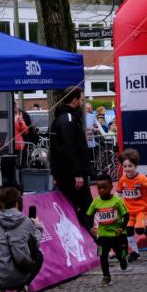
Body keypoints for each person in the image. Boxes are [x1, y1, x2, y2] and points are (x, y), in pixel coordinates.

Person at [50, 87, 93, 226]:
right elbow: (69, 148)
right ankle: (88, 238)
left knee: (81, 206)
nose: (81, 103)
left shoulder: (67, 118)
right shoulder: (67, 119)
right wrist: (77, 173)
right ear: (74, 100)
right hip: (71, 175)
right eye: (80, 100)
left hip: (68, 173)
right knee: (87, 206)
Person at [86, 173, 129, 286]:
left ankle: (123, 259)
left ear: (111, 187)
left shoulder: (117, 201)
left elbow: (126, 215)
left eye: (104, 187)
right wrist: (91, 227)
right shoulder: (96, 202)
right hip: (103, 235)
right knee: (102, 255)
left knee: (121, 253)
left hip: (118, 234)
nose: (101, 190)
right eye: (99, 188)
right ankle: (106, 277)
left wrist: (121, 227)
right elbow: (88, 215)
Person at [116, 148, 147, 262]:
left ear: (135, 166)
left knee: (139, 230)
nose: (127, 169)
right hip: (128, 211)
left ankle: (145, 229)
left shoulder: (141, 179)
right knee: (128, 230)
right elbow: (118, 194)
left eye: (130, 166)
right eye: (125, 166)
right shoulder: (122, 180)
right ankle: (134, 252)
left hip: (141, 210)